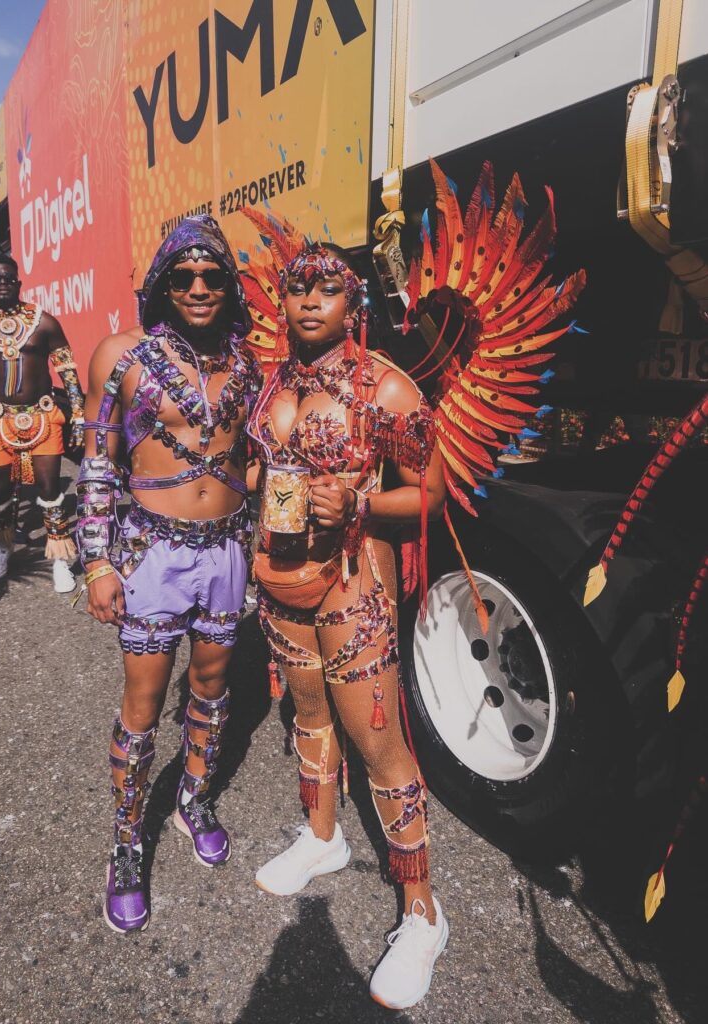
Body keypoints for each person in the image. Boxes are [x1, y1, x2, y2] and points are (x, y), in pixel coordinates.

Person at [247, 243, 448, 1010]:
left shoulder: (384, 389)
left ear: (350, 303)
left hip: (354, 580)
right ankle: (323, 837)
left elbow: (431, 491)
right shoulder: (274, 386)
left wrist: (359, 505)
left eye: (325, 291)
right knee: (306, 713)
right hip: (280, 575)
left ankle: (423, 912)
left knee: (377, 740)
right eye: (296, 291)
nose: (307, 304)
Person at [77, 215, 261, 933]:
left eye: (212, 276)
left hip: (225, 555)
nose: (197, 287)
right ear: (161, 283)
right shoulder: (121, 357)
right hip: (151, 556)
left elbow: (252, 456)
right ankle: (126, 845)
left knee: (212, 689)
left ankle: (192, 800)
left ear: (227, 285)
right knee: (144, 704)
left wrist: (261, 535)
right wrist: (96, 560)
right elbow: (97, 463)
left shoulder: (245, 363)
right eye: (183, 276)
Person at [0, 256, 84, 589]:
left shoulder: (44, 323)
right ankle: (4, 546)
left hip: (42, 416)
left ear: (19, 282)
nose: (3, 284)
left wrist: (79, 416)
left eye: (9, 278)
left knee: (51, 491)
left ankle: (60, 558)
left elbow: (68, 373)